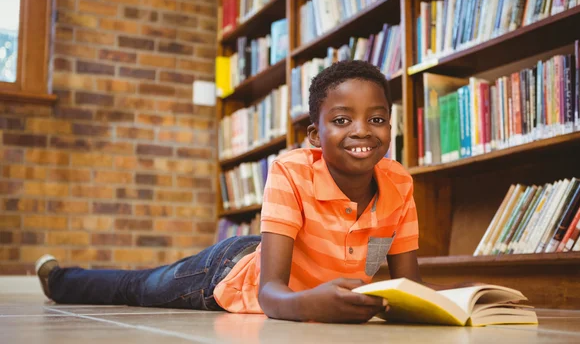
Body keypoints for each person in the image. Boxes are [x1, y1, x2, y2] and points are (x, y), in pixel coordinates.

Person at [36, 60, 428, 323]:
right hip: (229, 273)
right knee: (139, 287)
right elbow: (271, 295)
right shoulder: (290, 171)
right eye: (342, 119)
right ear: (314, 136)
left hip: (280, 259)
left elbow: (407, 288)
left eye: (376, 119)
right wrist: (316, 303)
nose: (362, 130)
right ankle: (60, 280)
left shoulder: (400, 183)